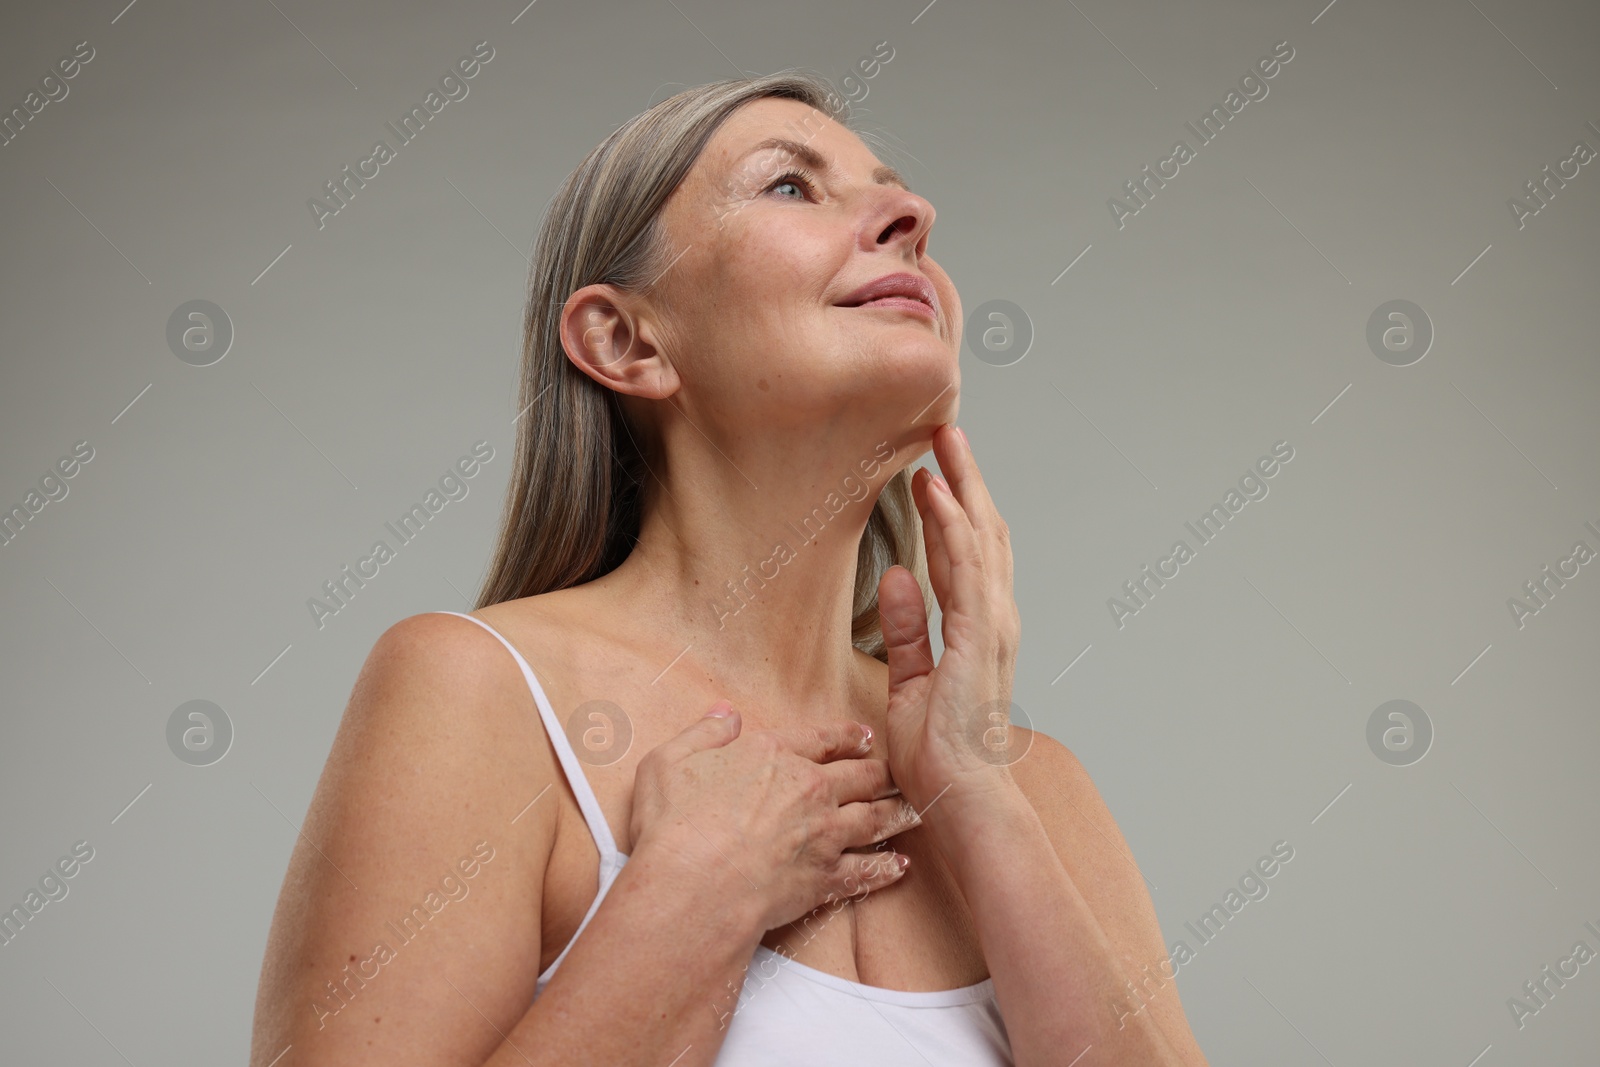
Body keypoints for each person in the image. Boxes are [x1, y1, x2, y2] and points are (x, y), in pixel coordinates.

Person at [250, 69, 1208, 1066]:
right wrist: (696, 893)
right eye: (789, 186)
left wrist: (977, 794)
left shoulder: (1034, 786)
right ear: (625, 340)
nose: (914, 214)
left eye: (895, 191)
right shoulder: (476, 693)